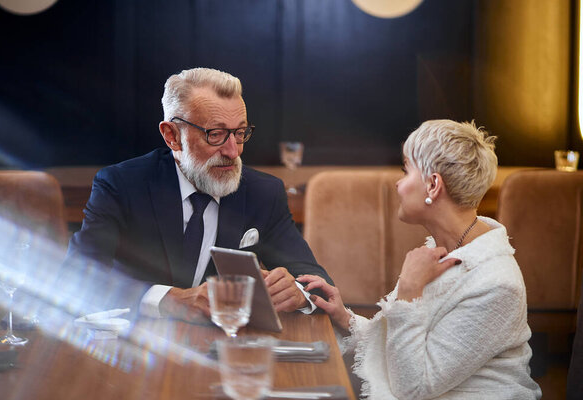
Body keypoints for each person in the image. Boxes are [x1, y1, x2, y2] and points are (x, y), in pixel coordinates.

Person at [298, 120, 542, 399]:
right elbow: (405, 348)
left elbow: (414, 387)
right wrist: (345, 318)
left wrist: (409, 293)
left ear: (433, 184)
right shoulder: (444, 248)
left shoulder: (496, 284)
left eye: (406, 170)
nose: (399, 184)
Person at [66, 67, 333, 320]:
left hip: (224, 346)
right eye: (215, 134)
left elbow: (319, 284)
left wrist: (297, 293)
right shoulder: (121, 185)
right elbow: (78, 278)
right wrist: (169, 299)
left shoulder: (263, 193)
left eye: (240, 133)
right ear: (172, 136)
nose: (233, 151)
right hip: (137, 347)